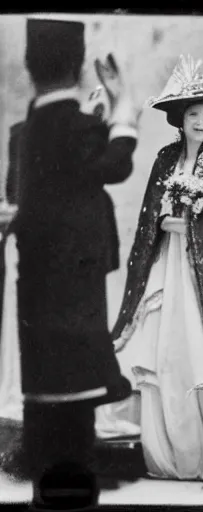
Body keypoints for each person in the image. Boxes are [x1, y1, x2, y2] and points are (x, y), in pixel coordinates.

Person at [12, 17, 140, 495]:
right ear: (77, 64)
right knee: (77, 392)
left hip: (38, 281)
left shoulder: (28, 130)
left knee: (47, 389)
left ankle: (51, 482)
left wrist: (100, 117)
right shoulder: (76, 124)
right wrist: (123, 104)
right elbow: (115, 164)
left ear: (30, 67)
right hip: (74, 281)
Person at [110, 53, 203, 480]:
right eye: (193, 114)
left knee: (195, 353)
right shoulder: (166, 159)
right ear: (180, 120)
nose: (200, 121)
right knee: (162, 352)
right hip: (168, 264)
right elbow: (150, 211)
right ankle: (163, 453)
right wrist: (164, 222)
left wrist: (197, 221)